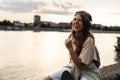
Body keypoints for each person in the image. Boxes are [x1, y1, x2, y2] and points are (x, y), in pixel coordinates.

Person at [44, 11, 101, 80]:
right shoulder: (71, 36)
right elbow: (73, 60)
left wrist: (70, 49)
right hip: (73, 67)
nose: (76, 22)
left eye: (80, 20)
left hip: (87, 71)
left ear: (85, 24)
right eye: (74, 19)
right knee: (47, 78)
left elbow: (80, 65)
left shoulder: (89, 40)